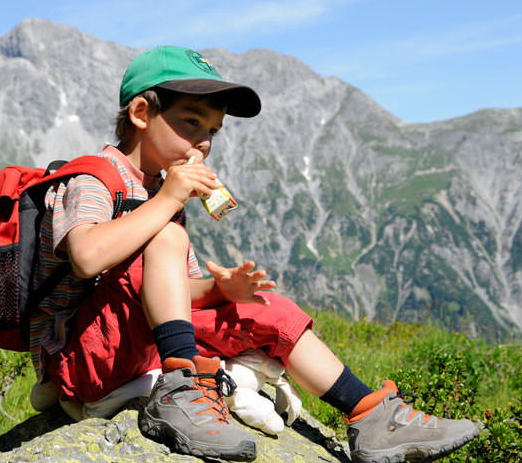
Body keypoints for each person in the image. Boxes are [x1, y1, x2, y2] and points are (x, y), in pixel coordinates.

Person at [28, 45, 478, 462]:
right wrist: (168, 202)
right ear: (142, 113)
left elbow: (170, 295)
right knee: (166, 236)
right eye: (191, 122)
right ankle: (184, 391)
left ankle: (372, 417)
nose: (203, 142)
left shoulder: (159, 187)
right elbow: (86, 256)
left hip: (135, 344)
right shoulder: (93, 178)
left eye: (213, 131)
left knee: (263, 308)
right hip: (82, 362)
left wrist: (221, 289)